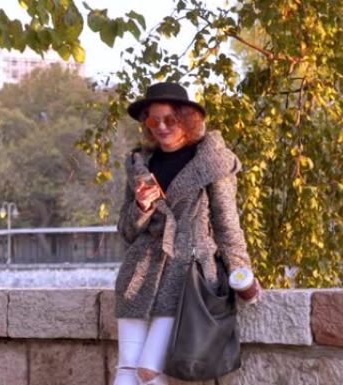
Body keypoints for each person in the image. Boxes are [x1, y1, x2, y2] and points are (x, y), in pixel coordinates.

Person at [113, 82, 256, 385]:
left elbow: (227, 223)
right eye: (153, 120)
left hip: (187, 275)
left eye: (170, 119)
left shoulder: (211, 162)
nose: (161, 127)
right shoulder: (141, 165)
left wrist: (241, 272)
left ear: (186, 119)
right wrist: (142, 205)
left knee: (148, 371)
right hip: (138, 277)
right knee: (126, 369)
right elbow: (126, 232)